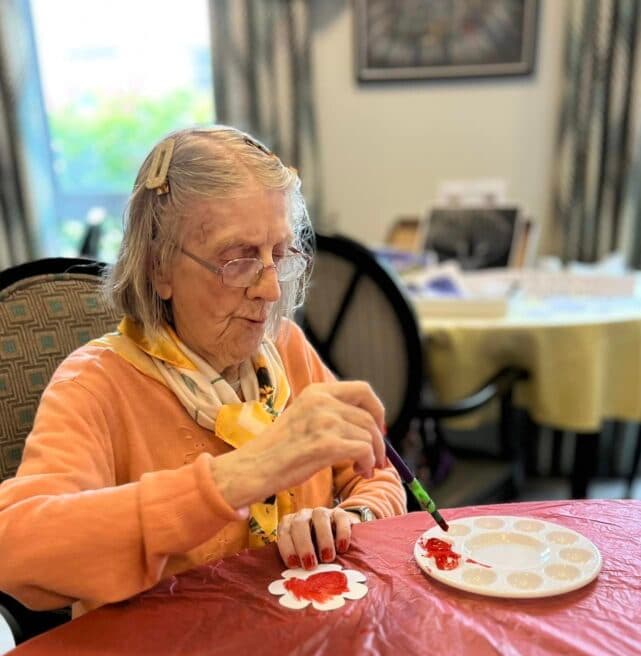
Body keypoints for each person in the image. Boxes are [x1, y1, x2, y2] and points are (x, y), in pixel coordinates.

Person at [0, 125, 405, 617]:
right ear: (159, 268)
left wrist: (348, 519)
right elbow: (17, 552)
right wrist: (241, 476)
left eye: (279, 255)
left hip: (293, 638)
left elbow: (377, 475)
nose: (271, 290)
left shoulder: (284, 349)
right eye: (238, 260)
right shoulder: (95, 386)